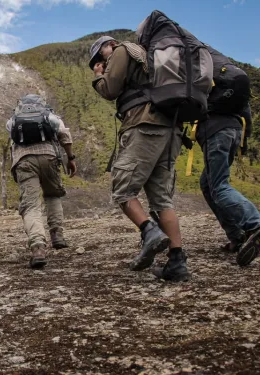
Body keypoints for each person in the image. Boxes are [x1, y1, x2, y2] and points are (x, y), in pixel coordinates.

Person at [89, 36, 190, 281]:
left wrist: (99, 75)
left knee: (123, 189)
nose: (99, 61)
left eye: (98, 56)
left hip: (145, 126)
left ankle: (149, 231)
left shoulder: (122, 50)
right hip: (171, 130)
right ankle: (177, 262)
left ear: (108, 46)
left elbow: (110, 90)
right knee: (161, 199)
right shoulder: (148, 56)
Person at [6, 94, 77, 269]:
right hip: (49, 157)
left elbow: (12, 139)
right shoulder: (50, 116)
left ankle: (38, 248)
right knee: (53, 195)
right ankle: (57, 235)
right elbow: (64, 135)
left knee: (30, 205)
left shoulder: (13, 119)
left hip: (24, 161)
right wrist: (70, 158)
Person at [198, 105, 260, 266]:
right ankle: (236, 236)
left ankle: (255, 224)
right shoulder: (235, 80)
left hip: (215, 131)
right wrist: (244, 140)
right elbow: (246, 111)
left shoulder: (207, 80)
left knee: (218, 186)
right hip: (235, 131)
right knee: (207, 184)